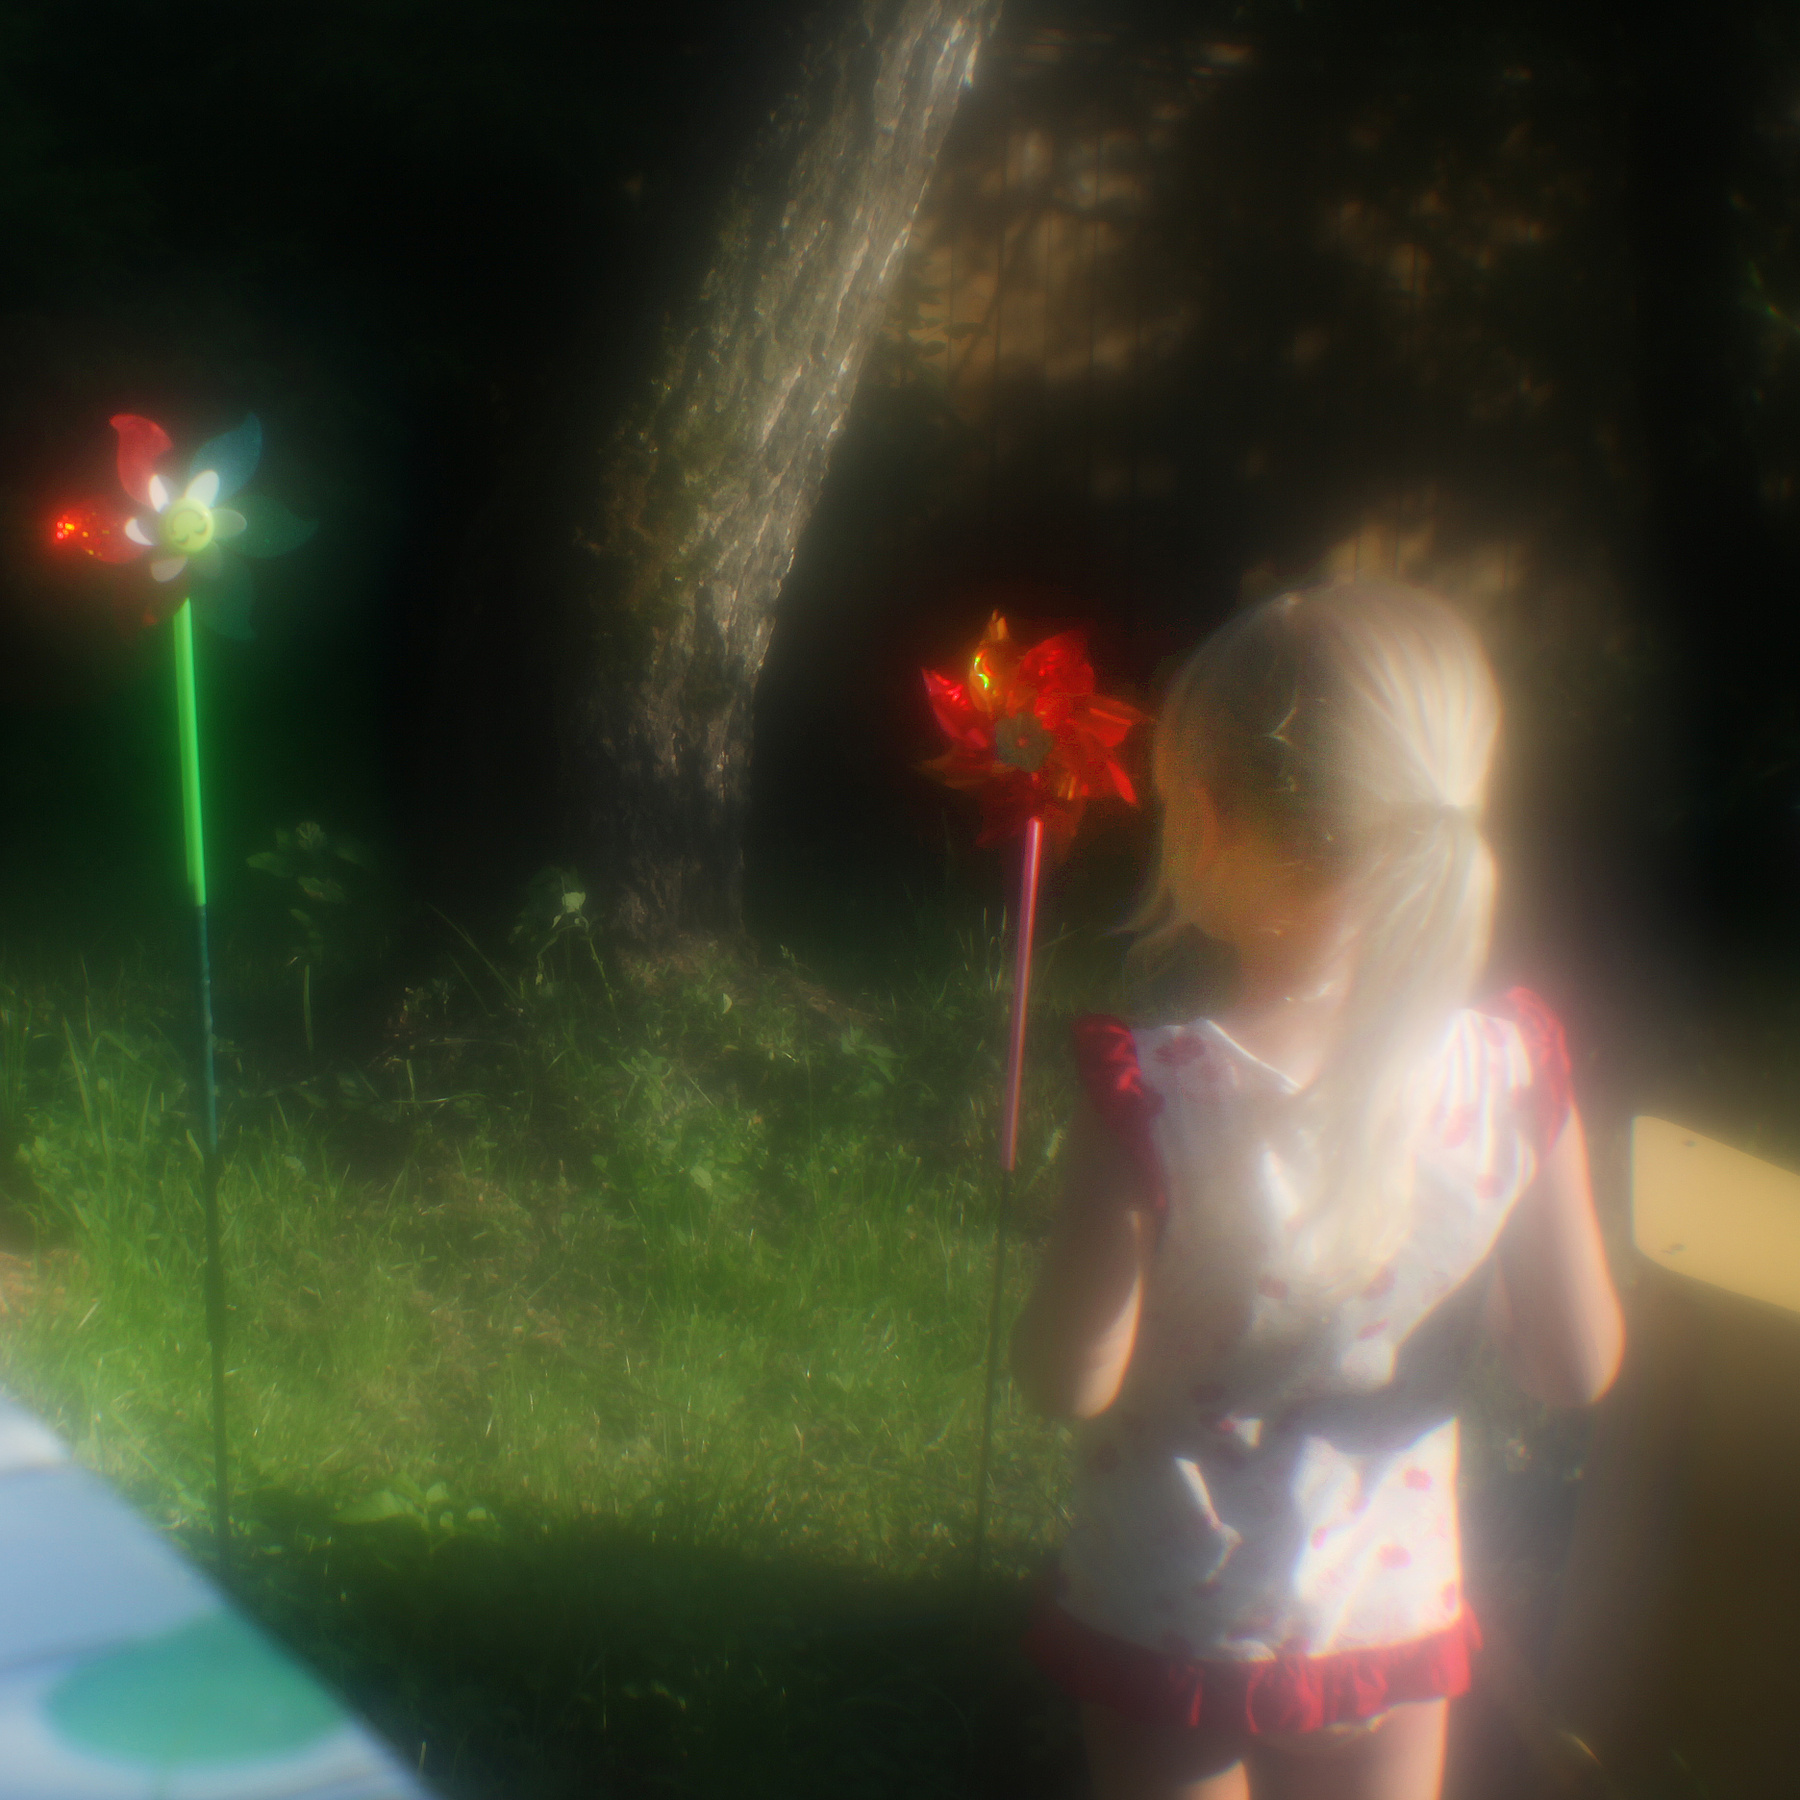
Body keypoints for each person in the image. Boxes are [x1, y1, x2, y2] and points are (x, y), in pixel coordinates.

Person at [1010, 579, 1625, 1800]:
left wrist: (1028, 1331)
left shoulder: (1151, 1100)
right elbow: (1574, 1368)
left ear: (1204, 818)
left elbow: (1068, 1381)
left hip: (1171, 1614)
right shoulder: (1514, 1076)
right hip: (1391, 1611)